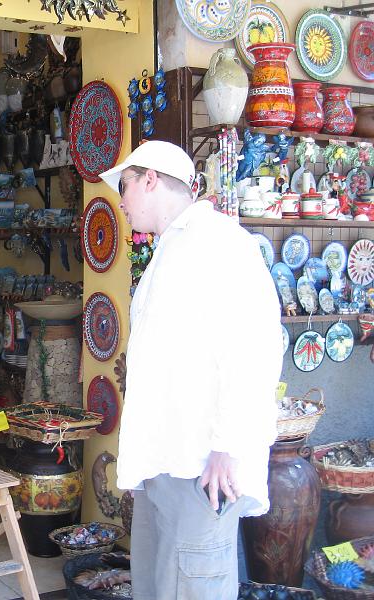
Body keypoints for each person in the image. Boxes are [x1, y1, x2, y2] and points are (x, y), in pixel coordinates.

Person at [99, 141, 283, 600]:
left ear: (150, 179)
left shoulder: (218, 242)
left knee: (192, 585)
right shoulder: (171, 247)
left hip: (200, 466)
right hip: (163, 462)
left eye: (124, 185)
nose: (119, 200)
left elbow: (254, 348)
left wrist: (228, 446)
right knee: (158, 586)